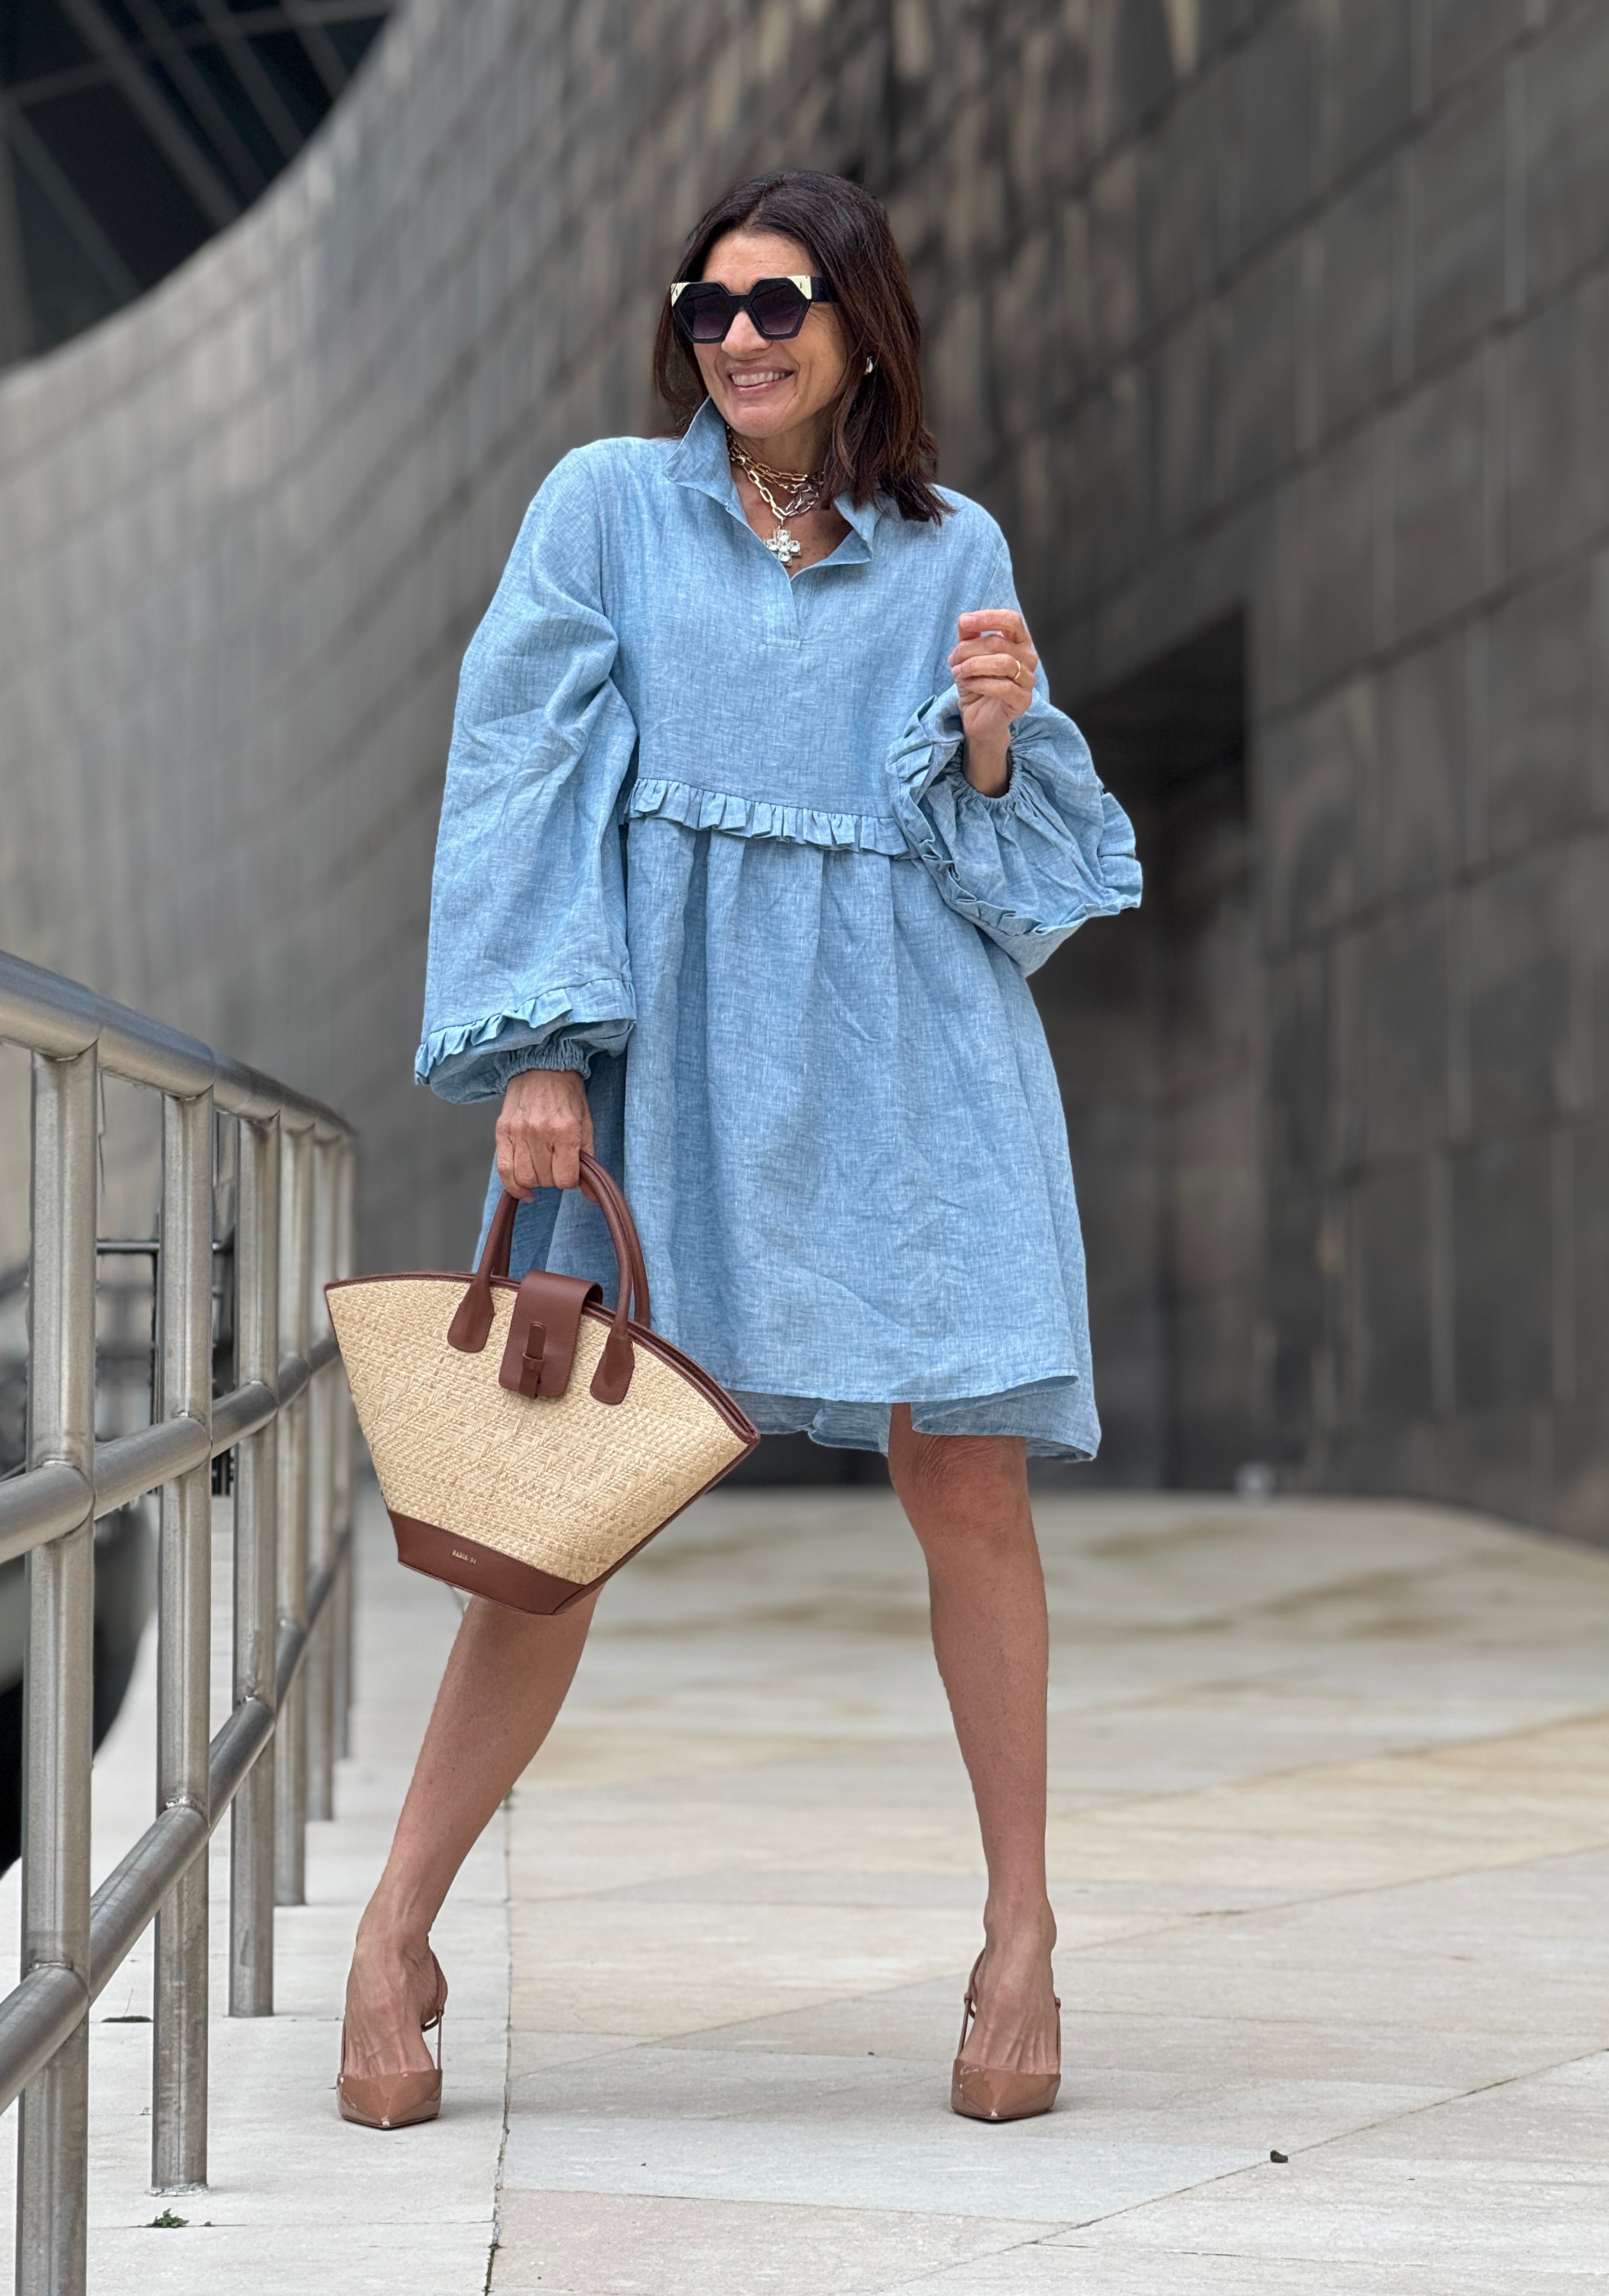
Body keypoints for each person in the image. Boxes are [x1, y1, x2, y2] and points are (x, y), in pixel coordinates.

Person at [338, 169, 1139, 2131]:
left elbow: (1010, 881)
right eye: (710, 307)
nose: (742, 338)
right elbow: (521, 767)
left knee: (966, 1477)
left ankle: (1021, 1934)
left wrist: (993, 737)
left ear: (861, 326)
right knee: (555, 1515)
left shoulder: (953, 544)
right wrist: (543, 1047)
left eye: (780, 305)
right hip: (668, 1059)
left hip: (914, 1059)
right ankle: (394, 1930)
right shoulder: (605, 508)